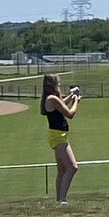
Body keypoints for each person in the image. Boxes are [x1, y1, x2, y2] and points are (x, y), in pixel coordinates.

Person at [40, 74, 81, 206]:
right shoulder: (52, 98)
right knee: (72, 167)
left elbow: (62, 103)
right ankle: (63, 199)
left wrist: (72, 96)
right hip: (59, 136)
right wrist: (76, 101)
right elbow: (70, 114)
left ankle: (59, 199)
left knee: (62, 170)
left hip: (57, 134)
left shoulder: (52, 98)